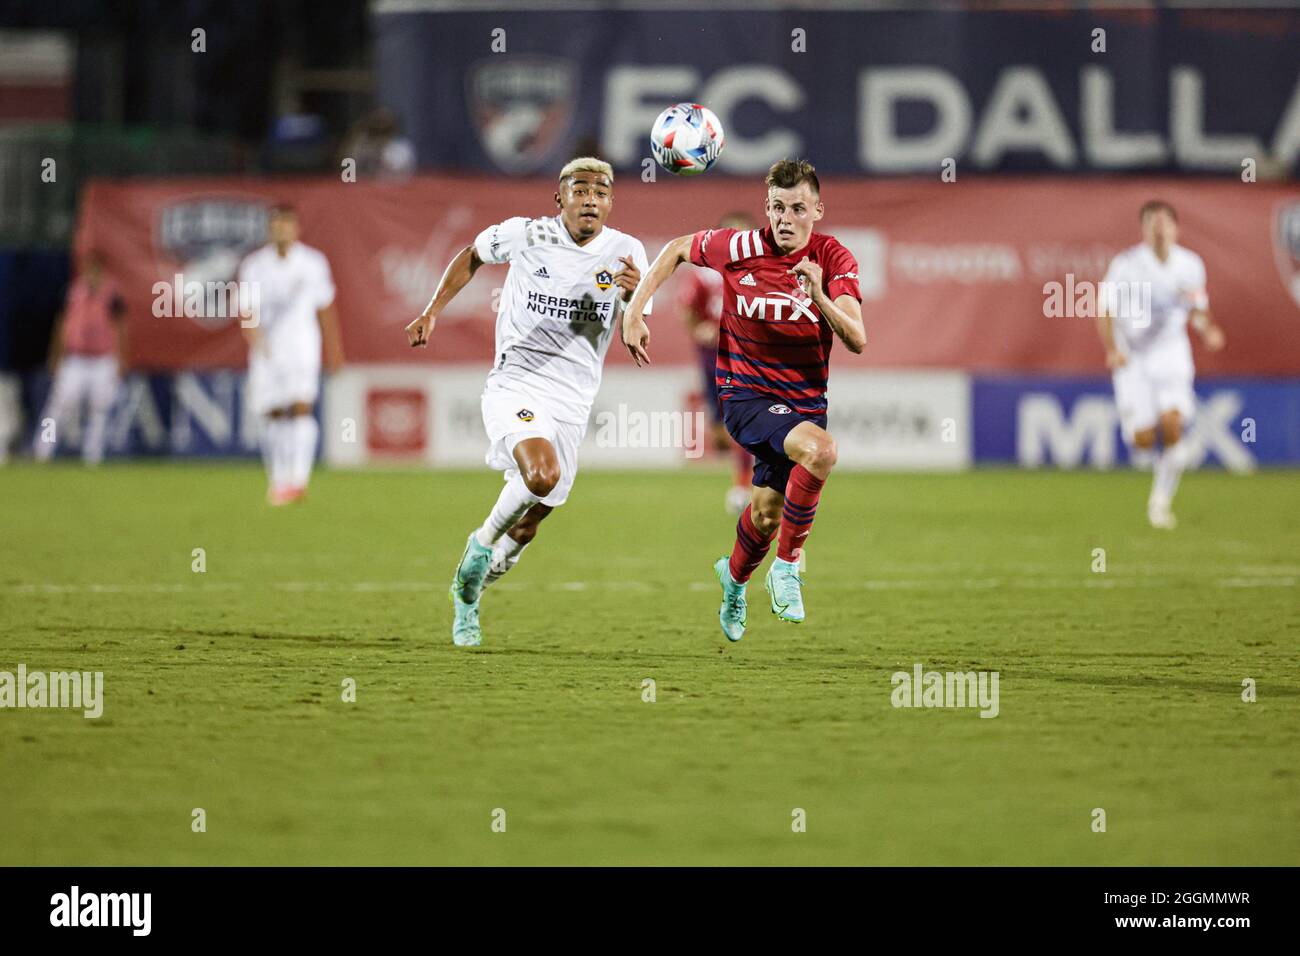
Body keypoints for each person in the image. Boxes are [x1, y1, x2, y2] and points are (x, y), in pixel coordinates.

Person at [404, 158, 650, 646]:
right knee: (541, 474)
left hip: (572, 400)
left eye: (601, 193)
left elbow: (633, 323)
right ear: (559, 199)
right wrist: (432, 311)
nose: (590, 200)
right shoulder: (525, 235)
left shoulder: (627, 253)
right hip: (515, 381)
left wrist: (632, 302)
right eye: (579, 191)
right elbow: (471, 254)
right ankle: (478, 545)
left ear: (611, 202)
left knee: (533, 519)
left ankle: (470, 594)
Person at [621, 159, 865, 641]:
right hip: (745, 396)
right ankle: (787, 570)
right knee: (822, 451)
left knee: (765, 514)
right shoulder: (739, 247)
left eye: (798, 207)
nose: (786, 218)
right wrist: (634, 311)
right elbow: (675, 250)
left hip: (804, 404)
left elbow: (856, 337)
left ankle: (733, 581)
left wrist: (820, 296)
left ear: (818, 209)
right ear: (765, 208)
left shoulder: (833, 258)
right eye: (777, 207)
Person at [1095, 200, 1225, 529]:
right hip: (1133, 356)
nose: (1159, 226)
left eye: (1165, 220)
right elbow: (1105, 309)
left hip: (1170, 352)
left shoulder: (1190, 265)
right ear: (1143, 228)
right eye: (1152, 220)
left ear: (1176, 227)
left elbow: (1197, 307)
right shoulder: (1126, 265)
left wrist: (1207, 328)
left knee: (1172, 425)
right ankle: (1166, 450)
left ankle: (1160, 501)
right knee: (1141, 439)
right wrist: (1112, 349)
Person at [238, 205, 345, 504]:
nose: (281, 231)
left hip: (303, 348)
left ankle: (298, 480)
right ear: (269, 229)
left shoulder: (313, 263)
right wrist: (256, 340)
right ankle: (278, 478)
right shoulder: (254, 265)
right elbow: (246, 310)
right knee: (272, 413)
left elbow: (325, 307)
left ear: (295, 229)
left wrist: (334, 350)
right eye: (276, 225)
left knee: (301, 407)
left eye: (286, 225)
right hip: (268, 351)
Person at [680, 212, 756, 514]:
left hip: (749, 356)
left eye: (744, 233)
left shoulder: (761, 273)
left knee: (746, 419)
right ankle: (745, 479)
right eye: (731, 232)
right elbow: (688, 309)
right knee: (722, 430)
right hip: (712, 357)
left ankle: (743, 485)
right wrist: (698, 328)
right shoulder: (705, 273)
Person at [35, 251, 126, 465]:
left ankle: (92, 455)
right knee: (58, 405)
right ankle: (42, 450)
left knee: (99, 408)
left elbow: (121, 328)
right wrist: (55, 355)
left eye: (96, 271)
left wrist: (121, 359)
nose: (92, 275)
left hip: (102, 359)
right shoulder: (73, 293)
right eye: (89, 270)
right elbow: (60, 325)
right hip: (75, 359)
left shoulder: (111, 295)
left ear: (102, 272)